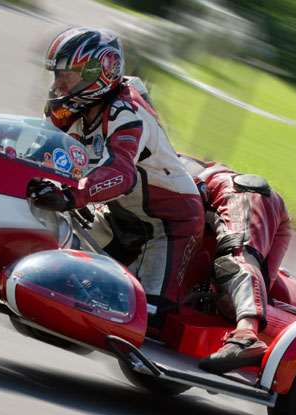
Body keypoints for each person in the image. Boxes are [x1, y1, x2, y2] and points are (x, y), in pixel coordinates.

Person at [32, 27, 204, 327]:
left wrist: (71, 197)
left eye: (67, 76)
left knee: (148, 318)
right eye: (56, 76)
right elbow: (40, 146)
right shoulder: (72, 108)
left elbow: (120, 173)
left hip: (167, 224)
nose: (58, 85)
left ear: (99, 75)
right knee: (55, 264)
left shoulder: (127, 112)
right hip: (116, 215)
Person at [179, 154, 292, 374]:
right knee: (229, 303)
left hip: (239, 193)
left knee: (234, 260)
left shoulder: (140, 143)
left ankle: (246, 337)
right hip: (229, 198)